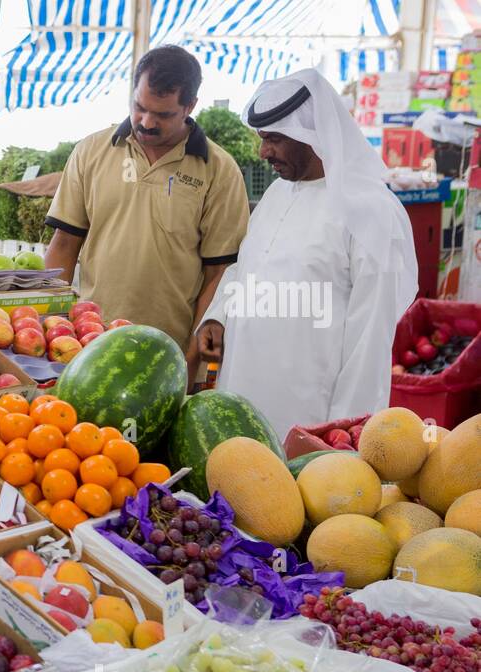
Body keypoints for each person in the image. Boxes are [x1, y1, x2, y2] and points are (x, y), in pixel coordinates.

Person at [194, 69, 417, 438]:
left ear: (312, 135)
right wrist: (218, 317)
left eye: (275, 139)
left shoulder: (371, 212)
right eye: (263, 139)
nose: (264, 151)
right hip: (243, 394)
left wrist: (342, 435)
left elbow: (370, 342)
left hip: (311, 417)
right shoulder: (277, 194)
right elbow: (249, 268)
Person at [45, 45, 249, 356]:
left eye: (163, 114)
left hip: (169, 352)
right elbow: (63, 245)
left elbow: (218, 274)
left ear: (190, 106)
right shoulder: (91, 151)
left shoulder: (219, 170)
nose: (147, 122)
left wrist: (191, 357)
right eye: (139, 106)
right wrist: (51, 325)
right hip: (90, 342)